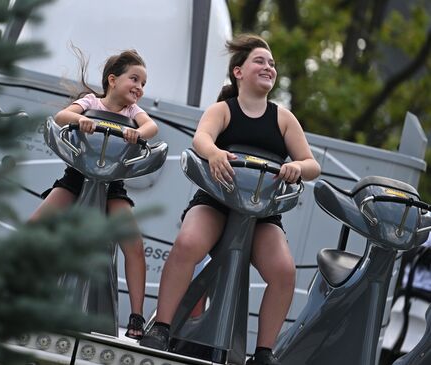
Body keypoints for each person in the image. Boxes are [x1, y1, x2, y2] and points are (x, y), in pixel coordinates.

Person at [140, 34, 321, 365]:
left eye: (272, 64)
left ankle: (264, 353)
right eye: (260, 61)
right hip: (216, 201)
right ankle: (162, 328)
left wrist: (296, 166)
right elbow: (201, 139)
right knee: (188, 243)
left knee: (284, 272)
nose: (268, 67)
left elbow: (312, 165)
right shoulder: (223, 110)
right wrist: (215, 154)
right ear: (238, 72)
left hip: (262, 213)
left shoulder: (283, 118)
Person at [30, 49, 158, 340]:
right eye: (134, 79)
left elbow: (152, 127)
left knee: (134, 245)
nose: (139, 87)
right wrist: (80, 120)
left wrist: (138, 133)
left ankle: (136, 316)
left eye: (143, 84)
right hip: (77, 179)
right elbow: (62, 116)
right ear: (112, 80)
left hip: (112, 186)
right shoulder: (91, 102)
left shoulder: (132, 113)